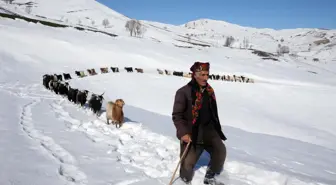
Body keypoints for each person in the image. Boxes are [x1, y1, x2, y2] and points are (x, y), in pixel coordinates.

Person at [172, 61, 227, 184]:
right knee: (188, 163)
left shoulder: (209, 91)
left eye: (207, 74)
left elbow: (212, 113)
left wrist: (216, 130)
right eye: (202, 74)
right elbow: (177, 115)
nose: (205, 78)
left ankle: (210, 176)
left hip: (208, 131)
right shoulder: (183, 92)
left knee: (221, 151)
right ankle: (184, 180)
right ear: (195, 74)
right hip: (191, 133)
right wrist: (183, 133)